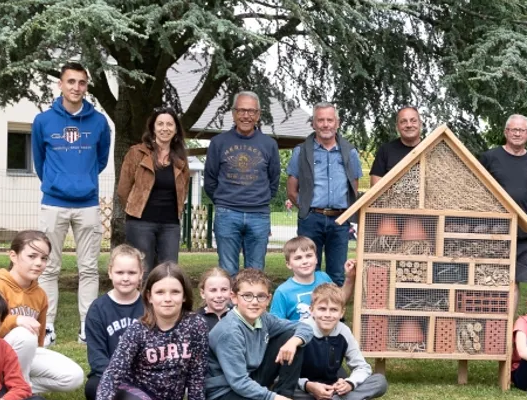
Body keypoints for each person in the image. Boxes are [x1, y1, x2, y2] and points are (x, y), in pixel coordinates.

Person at [80, 262, 221, 400]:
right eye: (160, 292)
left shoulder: (196, 325)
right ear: (149, 296)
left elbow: (197, 374)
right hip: (136, 396)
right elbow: (113, 373)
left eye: (175, 292)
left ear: (184, 296)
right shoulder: (138, 330)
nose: (167, 299)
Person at [32, 61, 111, 345]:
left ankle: (87, 327)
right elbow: (39, 161)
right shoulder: (43, 121)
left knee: (88, 268)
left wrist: (82, 180)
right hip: (53, 203)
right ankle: (47, 326)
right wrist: (58, 182)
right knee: (48, 266)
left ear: (86, 86)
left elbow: (101, 160)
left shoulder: (99, 122)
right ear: (60, 84)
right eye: (71, 81)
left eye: (81, 82)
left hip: (87, 204)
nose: (76, 87)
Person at [206, 268, 314, 400]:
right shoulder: (229, 331)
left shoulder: (263, 318)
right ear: (234, 298)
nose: (254, 302)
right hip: (225, 391)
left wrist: (293, 342)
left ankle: (286, 396)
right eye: (247, 296)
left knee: (292, 336)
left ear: (268, 299)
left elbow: (304, 327)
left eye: (261, 296)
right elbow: (239, 382)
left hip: (251, 377)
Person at [0, 230, 85, 394]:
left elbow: (38, 340)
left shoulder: (40, 294)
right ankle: (18, 393)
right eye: (32, 256)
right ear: (13, 256)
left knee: (73, 376)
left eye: (44, 258)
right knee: (24, 333)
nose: (38, 263)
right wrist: (15, 320)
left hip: (19, 356)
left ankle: (9, 388)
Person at [204, 91, 281, 273]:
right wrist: (224, 200)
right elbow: (210, 180)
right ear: (233, 113)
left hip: (259, 214)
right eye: (241, 110)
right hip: (227, 213)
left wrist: (259, 200)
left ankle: (251, 294)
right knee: (227, 270)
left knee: (255, 272)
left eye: (251, 111)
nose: (246, 116)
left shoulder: (269, 144)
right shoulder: (218, 143)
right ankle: (230, 295)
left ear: (258, 115)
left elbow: (274, 180)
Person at [286, 102, 363, 285]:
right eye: (321, 120)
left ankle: (334, 304)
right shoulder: (301, 151)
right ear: (313, 123)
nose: (325, 124)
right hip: (311, 219)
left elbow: (353, 188)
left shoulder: (350, 152)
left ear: (337, 123)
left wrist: (346, 215)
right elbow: (291, 190)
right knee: (308, 271)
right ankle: (308, 304)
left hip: (339, 221)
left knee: (337, 274)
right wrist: (306, 209)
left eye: (330, 120)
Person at [117, 107, 191, 275]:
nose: (165, 128)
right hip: (140, 223)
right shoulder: (137, 153)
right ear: (153, 128)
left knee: (169, 272)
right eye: (160, 124)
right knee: (142, 271)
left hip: (170, 224)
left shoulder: (181, 159)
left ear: (176, 130)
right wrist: (134, 209)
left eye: (170, 124)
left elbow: (183, 189)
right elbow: (123, 189)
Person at [480, 114, 527, 309]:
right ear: (506, 132)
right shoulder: (490, 158)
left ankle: (507, 323)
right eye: (513, 130)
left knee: (513, 282)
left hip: (523, 233)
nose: (517, 133)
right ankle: (489, 319)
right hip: (493, 230)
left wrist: (520, 215)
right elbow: (477, 190)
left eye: (522, 130)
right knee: (488, 277)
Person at [292, 284, 388, 400]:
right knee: (280, 389)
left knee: (380, 381)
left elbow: (362, 367)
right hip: (305, 387)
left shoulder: (344, 331)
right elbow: (285, 375)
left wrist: (350, 383)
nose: (327, 315)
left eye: (333, 310)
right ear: (311, 310)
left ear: (342, 312)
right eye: (322, 309)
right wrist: (308, 385)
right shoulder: (300, 331)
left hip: (334, 386)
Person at [82, 244, 145, 400]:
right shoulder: (98, 309)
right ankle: (136, 398)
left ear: (141, 274)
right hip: (108, 374)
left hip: (144, 375)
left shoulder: (150, 306)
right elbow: (96, 356)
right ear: (110, 272)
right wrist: (117, 376)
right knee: (92, 387)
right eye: (120, 272)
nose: (125, 278)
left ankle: (133, 398)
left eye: (132, 273)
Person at [270, 236, 356, 323]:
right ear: (289, 264)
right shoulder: (283, 292)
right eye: (298, 258)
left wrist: (350, 278)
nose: (305, 261)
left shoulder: (324, 277)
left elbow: (340, 300)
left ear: (316, 259)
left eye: (309, 256)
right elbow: (275, 324)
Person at [369, 105, 423, 185]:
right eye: (403, 121)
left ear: (420, 124)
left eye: (413, 121)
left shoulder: (432, 148)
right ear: (397, 127)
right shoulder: (385, 151)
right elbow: (375, 186)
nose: (409, 125)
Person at [197, 267, 233, 333]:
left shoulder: (238, 316)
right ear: (203, 293)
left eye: (224, 289)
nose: (219, 295)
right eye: (213, 290)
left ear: (231, 292)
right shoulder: (195, 320)